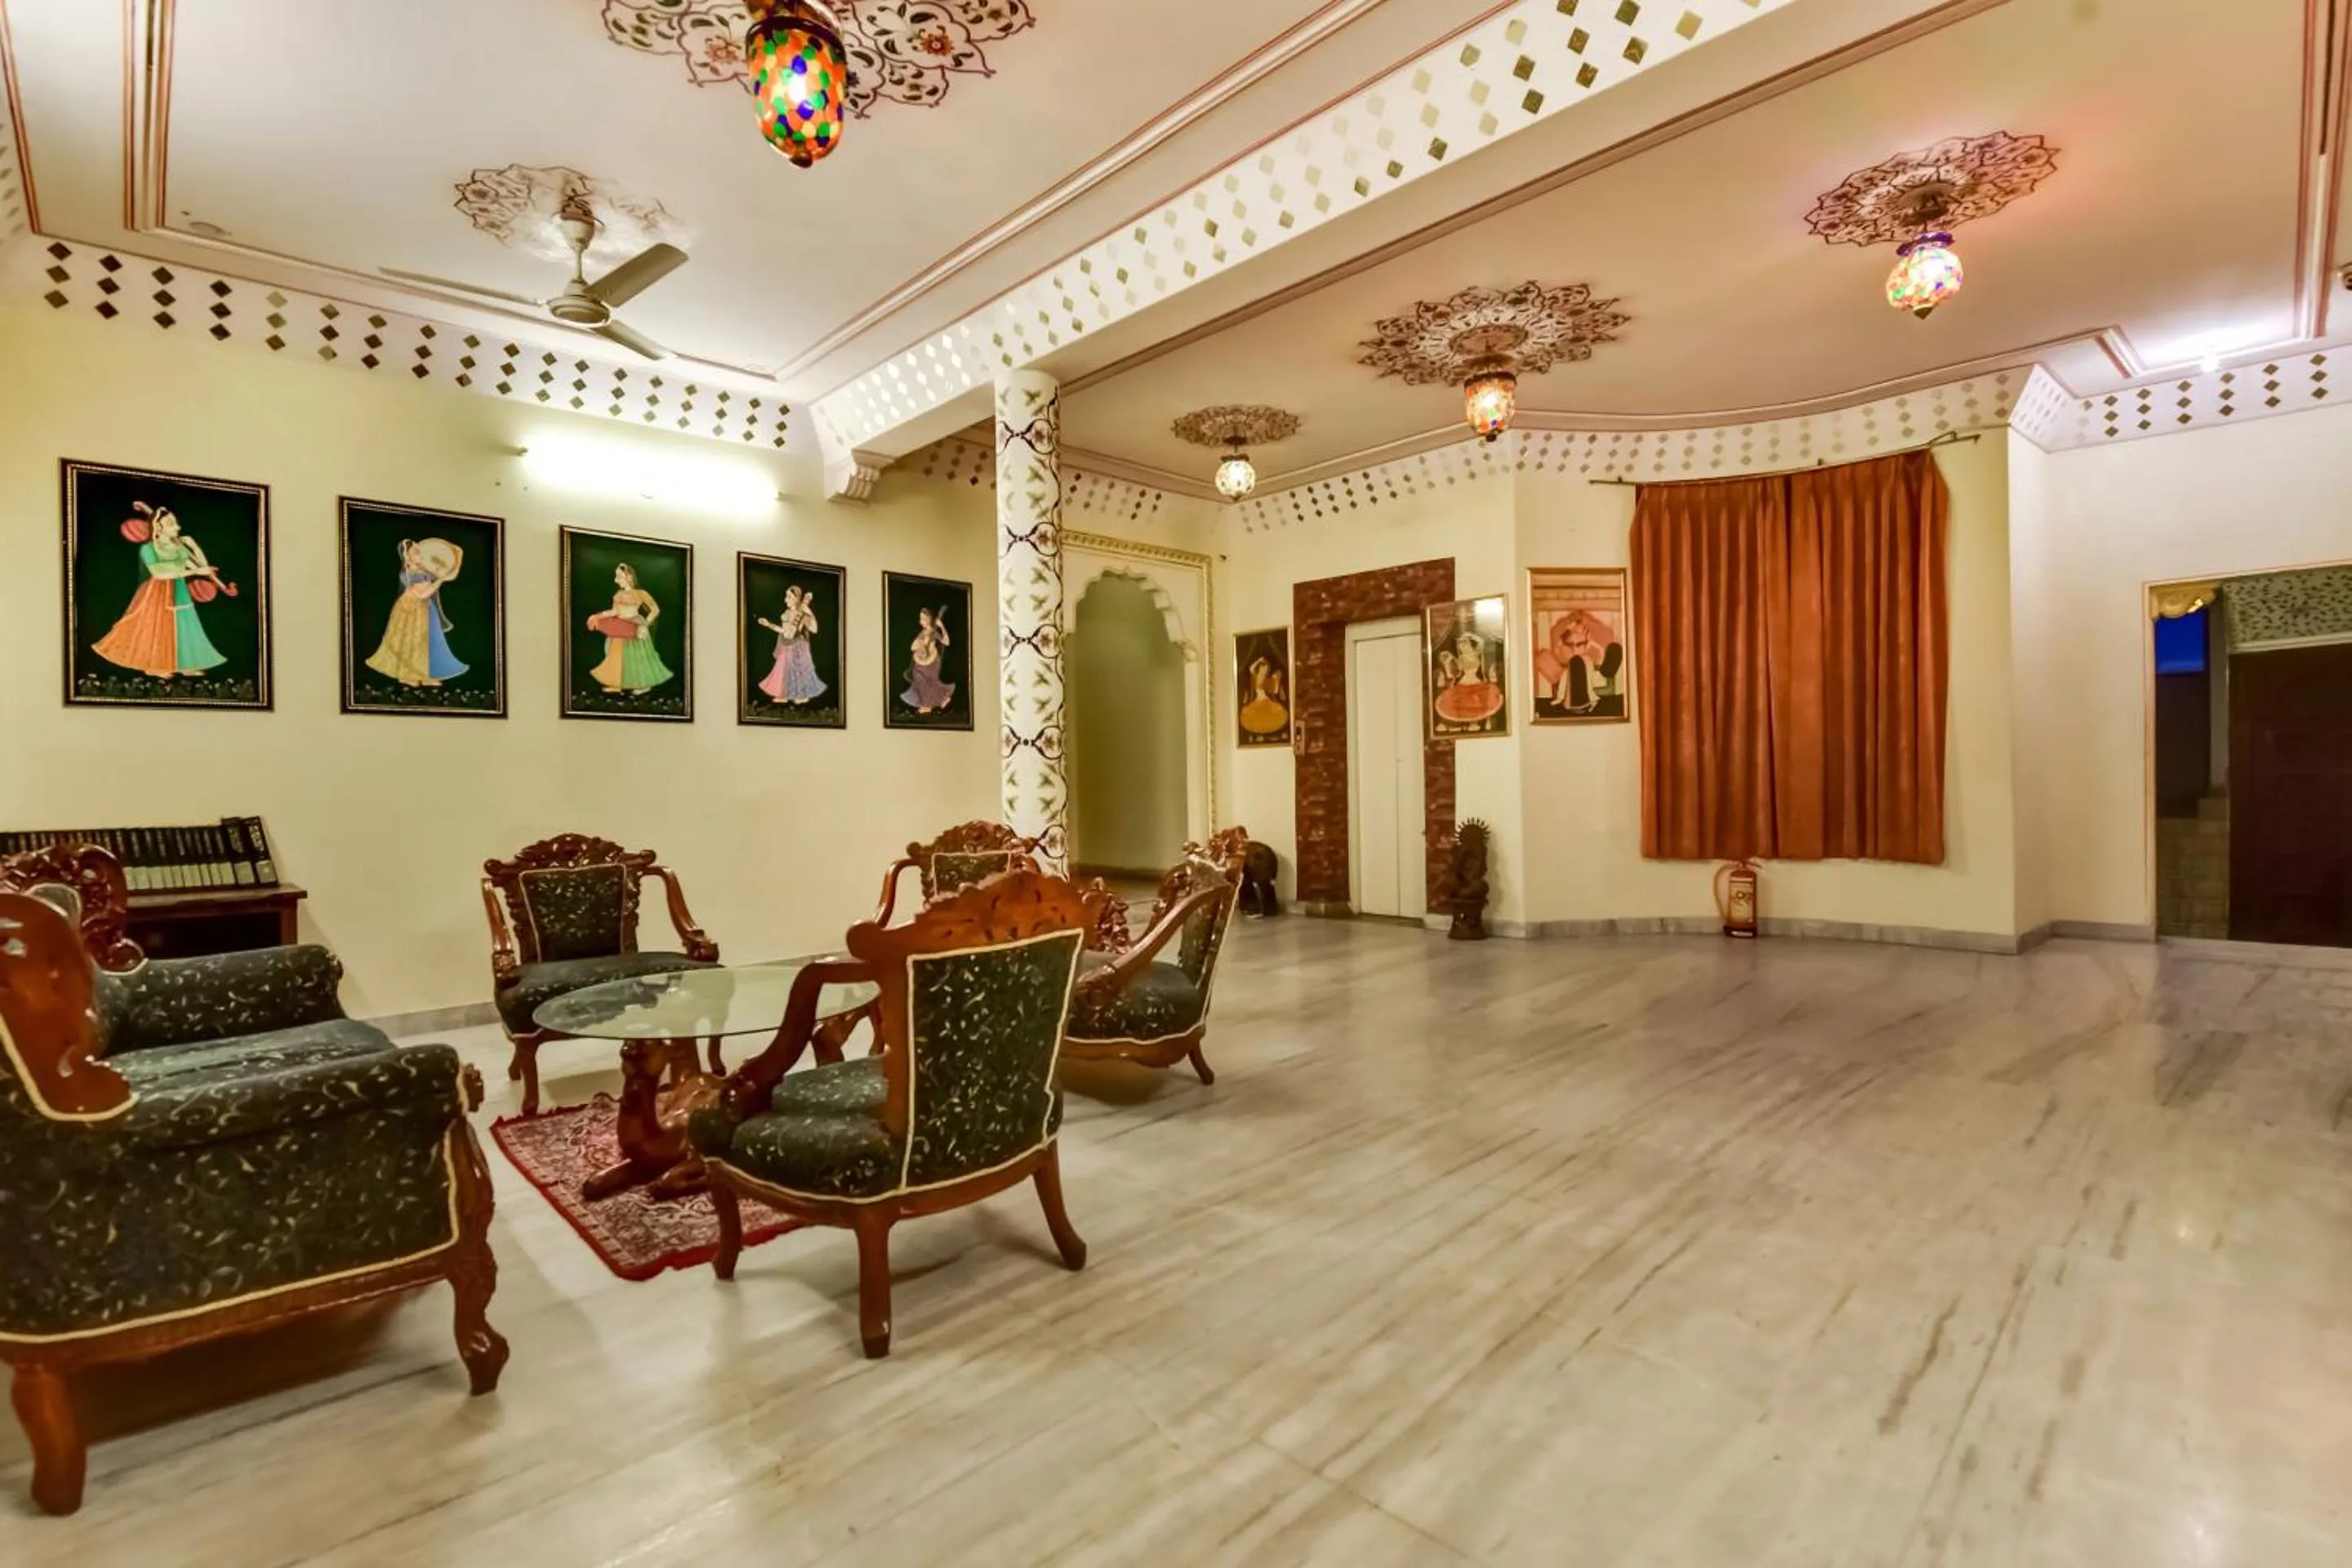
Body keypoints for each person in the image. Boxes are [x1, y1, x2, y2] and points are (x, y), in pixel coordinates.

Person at [91, 504, 228, 679]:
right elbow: (160, 573)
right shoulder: (148, 549)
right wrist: (196, 572)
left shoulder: (179, 547)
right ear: (158, 527)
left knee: (184, 625)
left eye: (175, 523)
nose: (177, 527)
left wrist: (194, 547)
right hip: (158, 592)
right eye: (171, 523)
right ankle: (155, 666)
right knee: (159, 628)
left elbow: (199, 565)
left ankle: (185, 664)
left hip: (179, 591)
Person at [365, 537, 468, 688]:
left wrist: (443, 571)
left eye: (420, 552)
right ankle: (410, 675)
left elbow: (456, 554)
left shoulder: (423, 568)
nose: (421, 555)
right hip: (412, 610)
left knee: (430, 642)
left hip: (425, 609)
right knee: (412, 642)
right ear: (408, 556)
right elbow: (422, 594)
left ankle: (427, 675)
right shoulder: (412, 572)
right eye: (417, 553)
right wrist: (440, 580)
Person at [588, 563, 674, 693]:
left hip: (635, 626)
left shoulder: (640, 593)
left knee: (637, 657)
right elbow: (614, 612)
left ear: (629, 577)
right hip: (620, 626)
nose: (617, 580)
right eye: (617, 576)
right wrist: (597, 616)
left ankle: (644, 685)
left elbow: (655, 610)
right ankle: (616, 684)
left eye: (620, 576)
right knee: (616, 655)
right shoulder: (619, 594)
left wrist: (644, 625)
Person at [756, 584, 828, 705]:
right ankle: (784, 694)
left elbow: (814, 629)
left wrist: (809, 612)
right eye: (786, 596)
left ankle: (801, 694)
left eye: (788, 597)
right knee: (784, 669)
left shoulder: (803, 613)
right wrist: (768, 624)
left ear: (796, 598)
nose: (785, 600)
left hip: (799, 646)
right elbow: (786, 632)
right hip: (786, 644)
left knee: (799, 669)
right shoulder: (786, 613)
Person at [900, 605, 956, 713]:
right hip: (921, 662)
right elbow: (913, 646)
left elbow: (946, 642)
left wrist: (941, 626)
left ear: (930, 619)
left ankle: (928, 705)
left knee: (928, 682)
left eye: (924, 619)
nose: (922, 621)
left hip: (931, 662)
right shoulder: (923, 632)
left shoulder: (933, 632)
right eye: (921, 618)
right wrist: (921, 645)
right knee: (919, 678)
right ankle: (941, 700)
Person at [1239, 653, 1290, 737]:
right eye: (1263, 669)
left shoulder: (1267, 681)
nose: (1264, 671)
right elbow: (1251, 668)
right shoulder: (1255, 677)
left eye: (1266, 670)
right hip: (1258, 701)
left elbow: (1275, 687)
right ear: (1259, 670)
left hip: (1266, 701)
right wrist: (1259, 660)